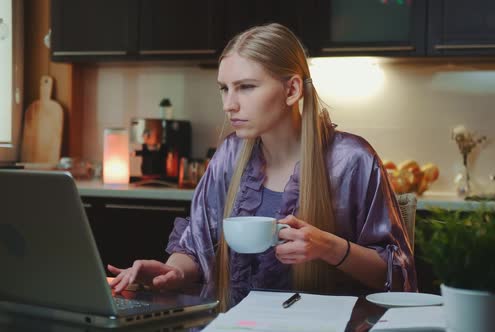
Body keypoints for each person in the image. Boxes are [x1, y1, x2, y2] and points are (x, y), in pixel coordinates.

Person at [108, 23, 416, 312]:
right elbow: (196, 244)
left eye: (246, 87)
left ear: (292, 90)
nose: (229, 104)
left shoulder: (352, 160)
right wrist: (173, 271)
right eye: (224, 89)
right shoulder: (229, 156)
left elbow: (398, 277)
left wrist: (329, 247)